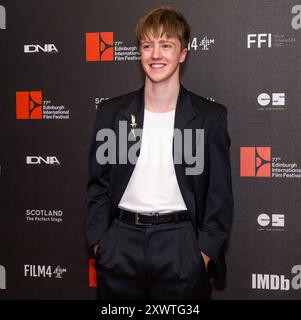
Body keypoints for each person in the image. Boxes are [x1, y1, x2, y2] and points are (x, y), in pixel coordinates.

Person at [85, 6, 233, 300]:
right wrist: (101, 243)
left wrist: (202, 254)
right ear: (139, 52)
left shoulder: (209, 117)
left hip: (181, 246)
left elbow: (219, 197)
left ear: (182, 54)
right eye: (148, 45)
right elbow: (98, 185)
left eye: (166, 45)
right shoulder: (113, 114)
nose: (156, 55)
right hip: (120, 245)